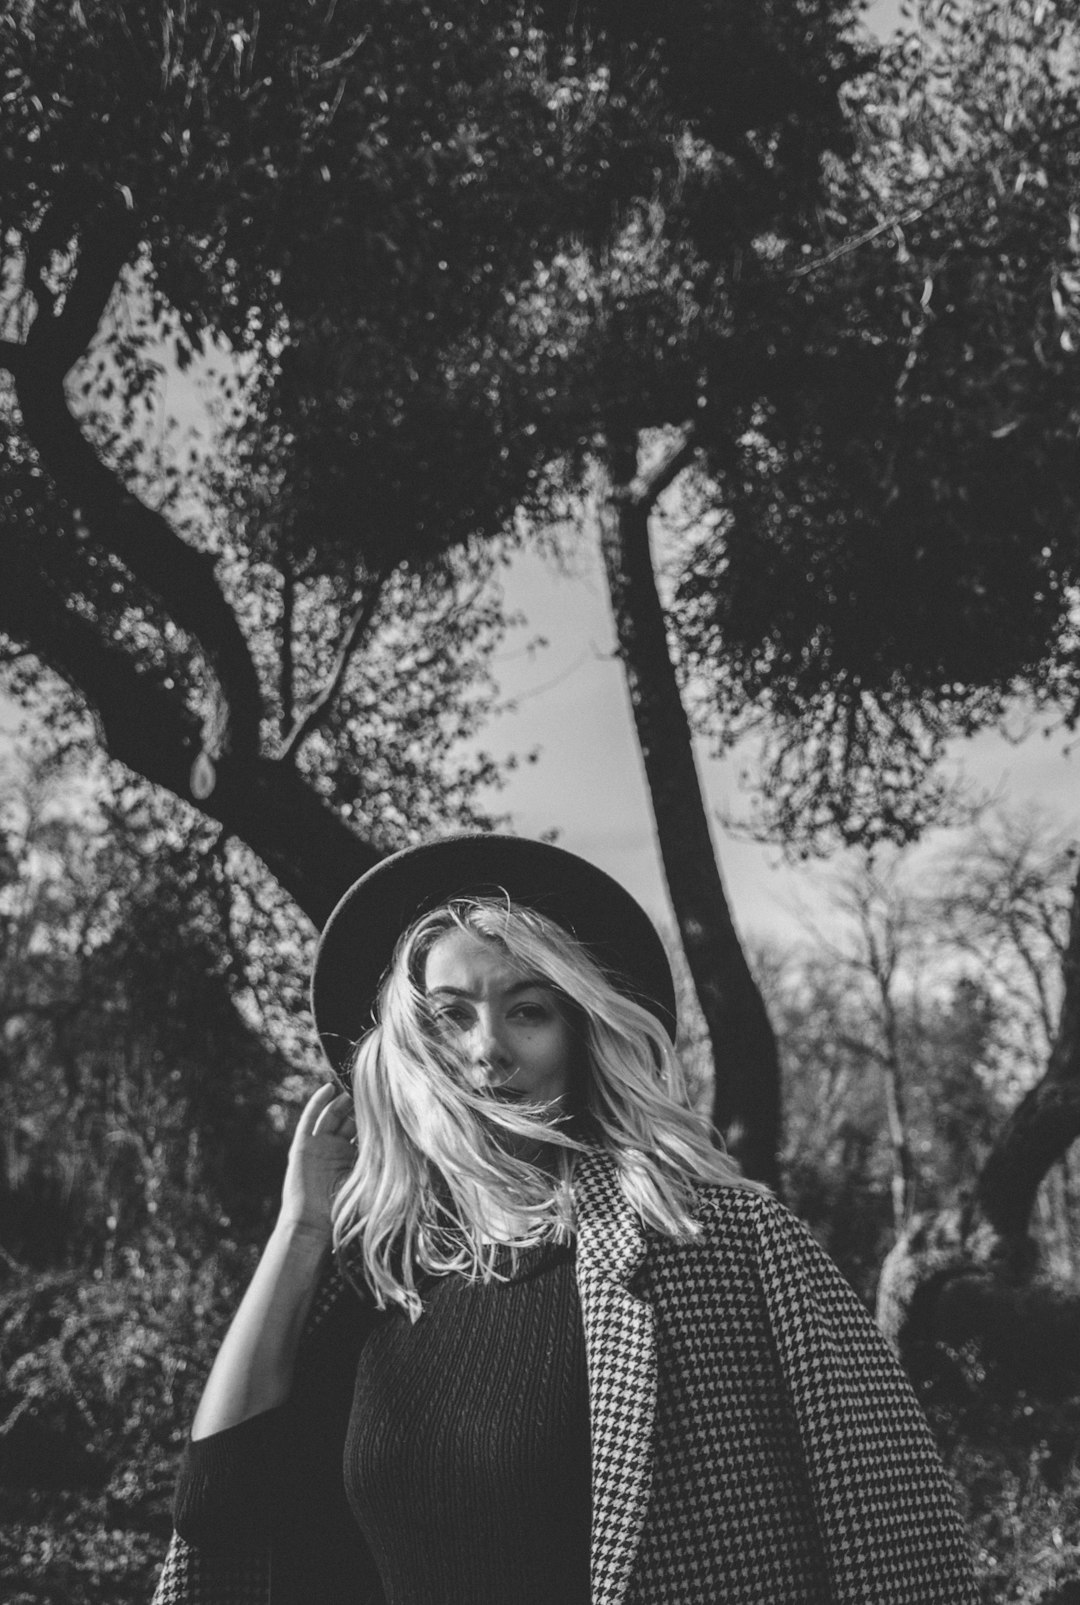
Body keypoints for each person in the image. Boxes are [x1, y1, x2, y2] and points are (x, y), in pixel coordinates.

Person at [152, 834, 978, 1605]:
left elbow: (901, 1547)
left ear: (582, 1032)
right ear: (408, 1045)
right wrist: (301, 1230)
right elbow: (217, 1511)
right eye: (451, 1014)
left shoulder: (729, 1244)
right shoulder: (379, 1274)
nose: (487, 1050)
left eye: (527, 1009)